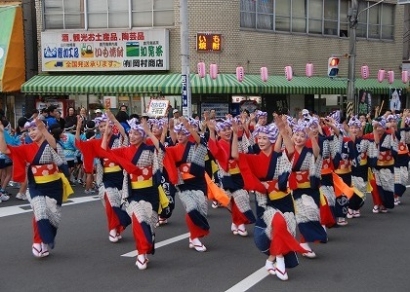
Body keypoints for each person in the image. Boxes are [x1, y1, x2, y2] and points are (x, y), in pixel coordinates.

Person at [236, 116, 308, 281]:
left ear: (272, 139)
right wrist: (235, 134)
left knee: (286, 230)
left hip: (284, 201)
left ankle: (272, 259)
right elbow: (236, 157)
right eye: (259, 138)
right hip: (266, 203)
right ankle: (280, 261)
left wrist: (283, 132)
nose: (260, 141)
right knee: (278, 224)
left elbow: (291, 151)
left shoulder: (281, 157)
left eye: (264, 138)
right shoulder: (254, 158)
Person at [0, 118, 71, 258]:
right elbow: (4, 149)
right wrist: (1, 133)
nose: (31, 133)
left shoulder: (51, 144)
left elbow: (53, 145)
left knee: (53, 217)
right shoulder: (27, 148)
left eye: (34, 129)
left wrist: (44, 130)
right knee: (39, 211)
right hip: (35, 186)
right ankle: (37, 242)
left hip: (55, 186)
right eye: (29, 130)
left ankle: (44, 242)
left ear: (42, 129)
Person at [101, 118, 164, 270]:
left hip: (150, 192)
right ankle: (141, 254)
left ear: (143, 135)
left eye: (136, 133)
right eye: (131, 133)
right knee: (138, 219)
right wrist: (107, 134)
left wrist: (149, 131)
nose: (132, 136)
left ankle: (145, 248)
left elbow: (160, 148)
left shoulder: (149, 148)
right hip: (133, 192)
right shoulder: (124, 150)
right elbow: (103, 150)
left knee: (147, 223)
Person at [76, 112, 130, 243]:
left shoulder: (118, 140)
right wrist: (78, 127)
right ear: (98, 129)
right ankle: (112, 229)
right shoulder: (96, 143)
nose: (104, 128)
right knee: (109, 198)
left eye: (106, 125)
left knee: (116, 205)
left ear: (111, 126)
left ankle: (117, 227)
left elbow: (125, 135)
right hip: (106, 178)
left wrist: (114, 119)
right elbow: (79, 145)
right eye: (101, 126)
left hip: (120, 177)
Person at [164, 117, 210, 252]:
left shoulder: (195, 145)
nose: (179, 136)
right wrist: (168, 130)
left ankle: (194, 235)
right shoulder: (174, 149)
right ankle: (195, 239)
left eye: (183, 134)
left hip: (199, 182)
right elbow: (163, 149)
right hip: (183, 184)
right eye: (178, 134)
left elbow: (200, 141)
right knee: (191, 207)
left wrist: (188, 126)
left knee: (201, 208)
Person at [207, 117, 256, 236]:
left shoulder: (236, 141)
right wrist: (212, 131)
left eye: (229, 128)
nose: (227, 131)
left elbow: (242, 154)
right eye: (224, 130)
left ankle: (239, 223)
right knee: (227, 200)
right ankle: (236, 221)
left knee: (241, 198)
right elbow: (214, 150)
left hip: (239, 175)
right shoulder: (219, 144)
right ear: (219, 133)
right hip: (226, 176)